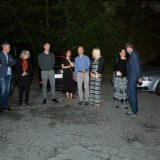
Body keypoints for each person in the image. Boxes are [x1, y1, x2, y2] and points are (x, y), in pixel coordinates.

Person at [126, 43, 142, 117]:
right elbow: (138, 65)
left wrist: (139, 77)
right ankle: (134, 109)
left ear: (128, 48)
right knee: (131, 93)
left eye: (126, 49)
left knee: (131, 94)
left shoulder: (133, 54)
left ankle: (134, 111)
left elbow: (137, 66)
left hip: (133, 77)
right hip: (132, 77)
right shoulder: (133, 54)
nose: (126, 50)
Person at [0, 43, 16, 112]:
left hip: (9, 75)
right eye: (8, 47)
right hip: (2, 75)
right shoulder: (0, 54)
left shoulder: (9, 55)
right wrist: (9, 62)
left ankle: (5, 105)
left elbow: (14, 62)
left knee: (7, 91)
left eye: (9, 47)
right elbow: (4, 63)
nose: (10, 49)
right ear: (4, 48)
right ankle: (0, 106)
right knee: (2, 91)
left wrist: (8, 62)